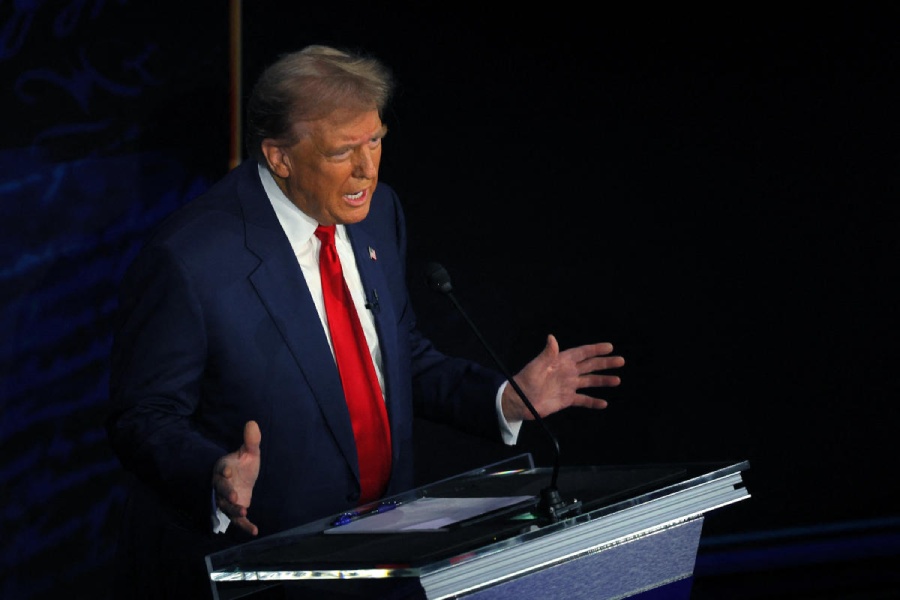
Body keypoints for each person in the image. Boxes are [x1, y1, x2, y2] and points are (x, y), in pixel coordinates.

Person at [106, 44, 625, 599]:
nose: (366, 170)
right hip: (270, 570)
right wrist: (213, 474)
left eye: (375, 141)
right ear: (279, 156)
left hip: (386, 558)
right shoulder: (191, 257)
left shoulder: (379, 214)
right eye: (342, 152)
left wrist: (502, 398)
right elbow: (145, 415)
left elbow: (396, 357)